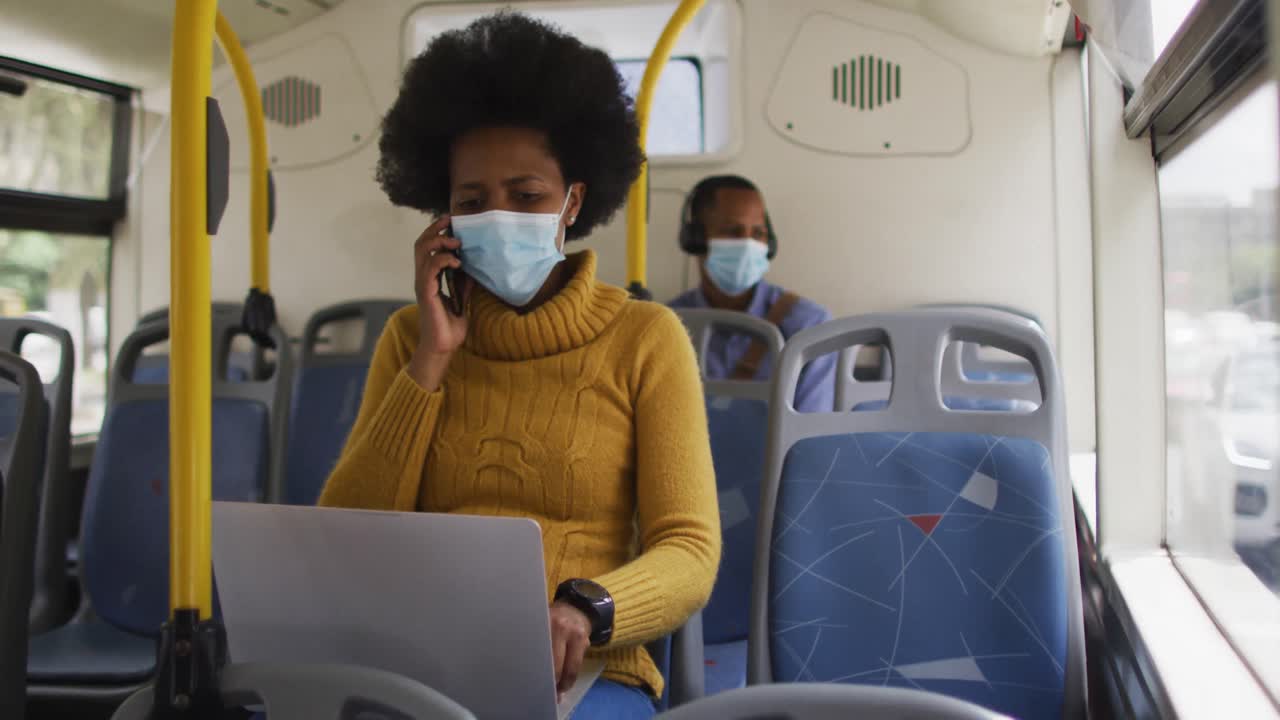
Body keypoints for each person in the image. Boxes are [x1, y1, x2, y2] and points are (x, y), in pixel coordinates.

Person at [317, 12, 720, 719]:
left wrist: (590, 607)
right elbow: (346, 538)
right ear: (443, 216)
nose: (497, 214)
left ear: (573, 202)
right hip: (422, 659)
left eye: (526, 195)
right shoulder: (411, 337)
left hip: (587, 666)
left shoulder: (646, 339)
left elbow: (689, 549)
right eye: (472, 201)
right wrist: (431, 362)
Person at [669, 175, 836, 412]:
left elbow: (811, 440)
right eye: (732, 231)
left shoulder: (809, 325)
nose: (747, 244)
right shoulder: (667, 324)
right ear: (696, 239)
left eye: (758, 233)